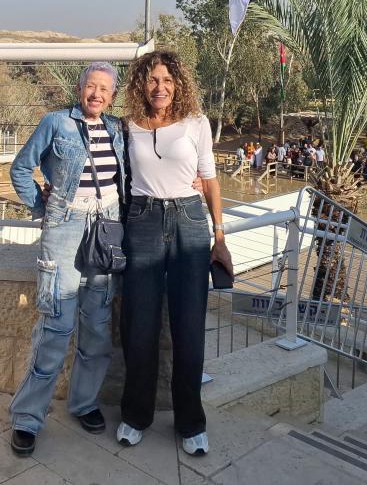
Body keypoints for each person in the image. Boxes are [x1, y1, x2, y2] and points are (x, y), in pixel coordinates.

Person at [117, 50, 233, 457]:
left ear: (178, 84)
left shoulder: (196, 123)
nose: (160, 87)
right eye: (152, 79)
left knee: (189, 325)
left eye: (167, 80)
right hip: (142, 220)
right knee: (139, 324)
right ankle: (136, 415)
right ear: (141, 84)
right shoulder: (127, 126)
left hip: (189, 221)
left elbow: (210, 180)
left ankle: (190, 423)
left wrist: (219, 236)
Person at [8, 62, 127, 456]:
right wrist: (43, 208)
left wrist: (194, 177)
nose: (97, 94)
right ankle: (27, 418)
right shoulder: (56, 122)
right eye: (91, 86)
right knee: (56, 326)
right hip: (65, 230)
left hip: (106, 229)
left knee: (97, 325)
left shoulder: (117, 129)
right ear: (80, 89)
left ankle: (84, 403)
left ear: (112, 96)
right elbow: (21, 168)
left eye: (104, 89)